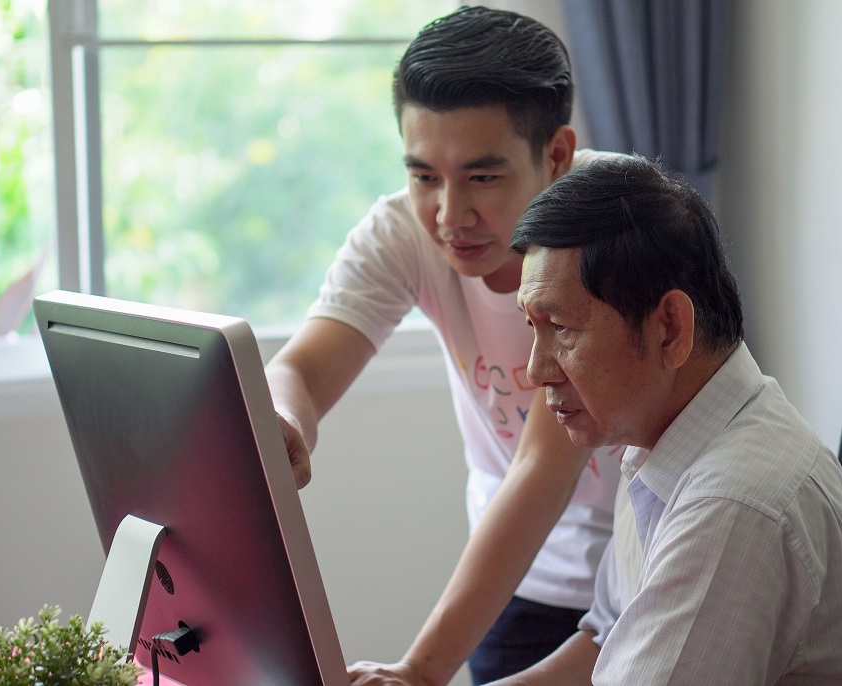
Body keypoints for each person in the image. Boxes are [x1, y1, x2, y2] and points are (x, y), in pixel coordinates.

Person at [264, 6, 622, 685]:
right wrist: (285, 422)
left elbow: (545, 469)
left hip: (648, 567)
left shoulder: (618, 227)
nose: (449, 215)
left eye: (482, 178)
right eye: (424, 175)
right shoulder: (402, 230)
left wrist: (421, 671)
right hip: (518, 578)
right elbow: (300, 373)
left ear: (557, 154)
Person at [483, 153, 842, 684]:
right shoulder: (655, 438)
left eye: (563, 328)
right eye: (532, 327)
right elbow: (606, 640)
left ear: (669, 327)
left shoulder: (736, 503)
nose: (536, 369)